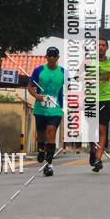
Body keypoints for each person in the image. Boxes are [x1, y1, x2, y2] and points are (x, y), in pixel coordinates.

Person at [28, 47, 65, 177]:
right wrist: (36, 96)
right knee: (41, 135)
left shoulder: (63, 72)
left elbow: (71, 87)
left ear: (58, 58)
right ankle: (40, 150)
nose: (52, 58)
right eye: (50, 55)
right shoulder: (39, 70)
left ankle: (48, 165)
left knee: (51, 132)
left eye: (54, 55)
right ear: (46, 57)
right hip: (40, 108)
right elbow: (30, 86)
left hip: (55, 109)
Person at [90, 37, 110, 172]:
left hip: (107, 99)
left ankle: (98, 159)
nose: (100, 47)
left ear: (107, 48)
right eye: (98, 45)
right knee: (91, 130)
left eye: (103, 45)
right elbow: (78, 76)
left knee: (102, 130)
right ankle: (92, 150)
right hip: (91, 99)